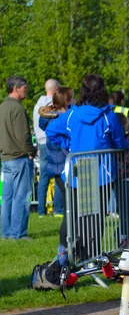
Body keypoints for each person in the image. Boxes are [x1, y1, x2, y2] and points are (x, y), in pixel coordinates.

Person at [46, 73, 129, 259]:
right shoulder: (109, 117)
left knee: (74, 217)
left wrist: (70, 146)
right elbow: (121, 143)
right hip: (101, 175)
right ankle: (90, 257)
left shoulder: (73, 114)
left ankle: (75, 256)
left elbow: (50, 130)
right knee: (96, 219)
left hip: (77, 174)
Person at [38, 87, 74, 258]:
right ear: (66, 102)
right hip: (62, 169)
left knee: (71, 208)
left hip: (60, 168)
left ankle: (69, 246)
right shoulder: (58, 123)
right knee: (70, 209)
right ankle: (64, 247)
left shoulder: (54, 120)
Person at [0, 76, 36, 240]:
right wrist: (31, 150)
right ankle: (17, 233)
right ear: (16, 88)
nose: (26, 90)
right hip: (19, 157)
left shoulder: (2, 107)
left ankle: (5, 232)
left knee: (7, 198)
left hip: (6, 157)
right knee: (21, 197)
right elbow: (23, 136)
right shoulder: (17, 109)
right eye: (24, 87)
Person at [33, 79, 62, 217]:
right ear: (56, 89)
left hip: (41, 143)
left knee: (43, 178)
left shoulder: (38, 105)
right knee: (58, 175)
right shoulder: (54, 105)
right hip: (53, 142)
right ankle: (59, 209)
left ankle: (41, 211)